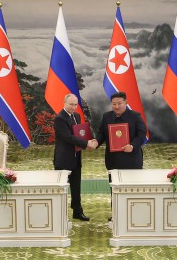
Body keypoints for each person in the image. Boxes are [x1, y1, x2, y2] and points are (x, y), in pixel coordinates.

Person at [53, 93, 96, 221]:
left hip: (76, 157)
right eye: (71, 104)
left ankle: (77, 211)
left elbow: (80, 133)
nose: (73, 107)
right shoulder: (60, 118)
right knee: (61, 188)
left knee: (76, 187)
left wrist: (88, 141)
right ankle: (59, 214)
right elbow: (68, 137)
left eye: (75, 104)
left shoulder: (77, 116)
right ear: (64, 103)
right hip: (63, 159)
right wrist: (86, 143)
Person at [96, 91, 147, 173]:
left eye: (119, 103)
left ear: (126, 102)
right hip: (112, 160)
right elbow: (102, 133)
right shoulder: (106, 116)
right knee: (113, 181)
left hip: (132, 159)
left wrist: (132, 146)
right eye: (114, 104)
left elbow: (141, 134)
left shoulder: (135, 116)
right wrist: (96, 142)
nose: (116, 106)